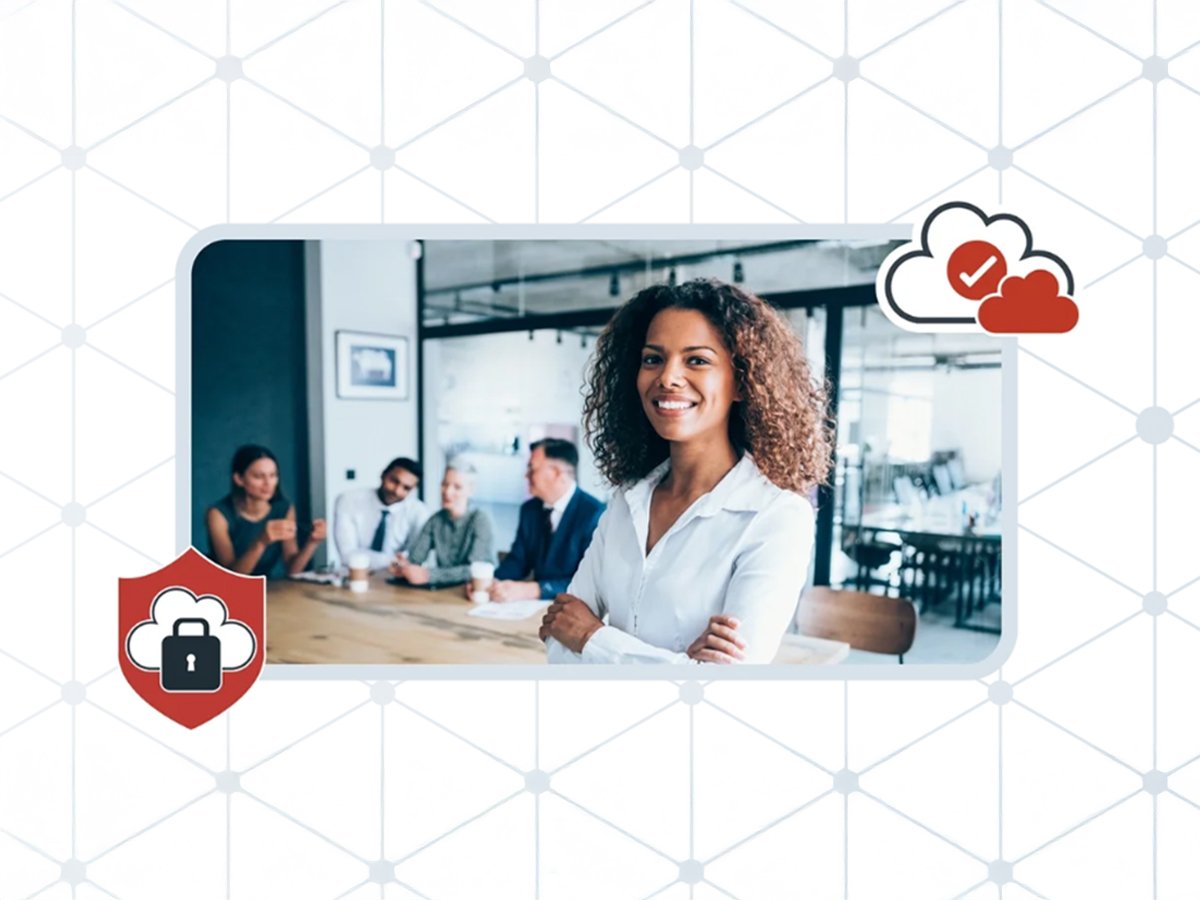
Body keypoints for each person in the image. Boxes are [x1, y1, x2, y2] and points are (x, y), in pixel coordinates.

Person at [541, 278, 831, 664]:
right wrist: (680, 664)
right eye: (652, 359)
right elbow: (558, 639)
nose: (667, 377)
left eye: (696, 360)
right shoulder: (628, 499)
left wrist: (592, 638)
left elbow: (724, 685)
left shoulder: (777, 516)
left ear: (742, 382)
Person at [486, 439, 604, 601]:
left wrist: (534, 590)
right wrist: (492, 583)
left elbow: (591, 582)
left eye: (532, 468)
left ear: (556, 472)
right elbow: (518, 561)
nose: (526, 475)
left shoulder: (595, 514)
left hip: (574, 607)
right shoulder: (529, 510)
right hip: (534, 609)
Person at [206, 444, 326, 577]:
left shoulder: (284, 509)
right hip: (219, 587)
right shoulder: (217, 514)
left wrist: (312, 542)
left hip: (265, 585)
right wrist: (261, 542)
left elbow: (292, 570)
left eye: (273, 475)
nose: (268, 483)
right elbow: (232, 578)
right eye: (258, 476)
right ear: (239, 479)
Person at [391, 462, 496, 587]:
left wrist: (429, 575)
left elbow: (474, 570)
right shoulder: (435, 520)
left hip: (474, 591)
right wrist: (402, 566)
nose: (447, 491)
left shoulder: (480, 520)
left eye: (457, 487)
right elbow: (414, 559)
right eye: (444, 484)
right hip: (444, 592)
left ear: (471, 490)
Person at [333, 457, 429, 570]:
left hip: (399, 576)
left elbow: (416, 557)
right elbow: (347, 555)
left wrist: (403, 562)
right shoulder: (348, 500)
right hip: (355, 574)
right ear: (383, 474)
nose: (397, 491)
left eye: (406, 488)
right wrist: (394, 560)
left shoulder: (419, 511)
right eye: (394, 481)